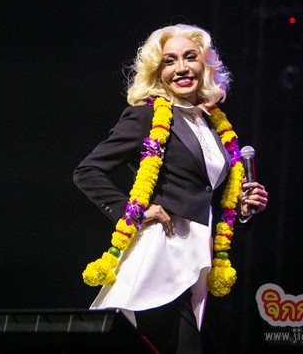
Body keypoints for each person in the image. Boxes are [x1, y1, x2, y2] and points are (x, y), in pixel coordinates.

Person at [73, 23, 269, 354]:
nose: (181, 68)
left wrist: (242, 207)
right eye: (169, 61)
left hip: (197, 259)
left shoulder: (213, 124)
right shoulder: (147, 117)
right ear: (158, 70)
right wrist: (134, 212)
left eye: (190, 57)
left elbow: (205, 191)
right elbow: (87, 171)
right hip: (159, 257)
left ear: (205, 65)